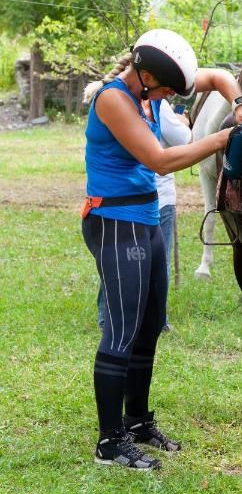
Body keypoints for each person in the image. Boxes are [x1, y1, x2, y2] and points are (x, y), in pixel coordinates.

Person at [82, 28, 242, 470]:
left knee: (151, 323)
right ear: (144, 75)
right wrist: (222, 138)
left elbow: (216, 77)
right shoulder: (113, 100)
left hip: (145, 219)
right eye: (164, 91)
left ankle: (136, 421)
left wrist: (240, 104)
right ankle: (109, 442)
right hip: (114, 222)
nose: (168, 98)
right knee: (121, 329)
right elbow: (158, 160)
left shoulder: (148, 90)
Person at [97, 99, 191, 331]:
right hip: (156, 196)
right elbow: (184, 139)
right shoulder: (158, 105)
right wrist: (183, 121)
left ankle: (106, 315)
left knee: (116, 258)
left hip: (120, 197)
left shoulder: (115, 102)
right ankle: (157, 320)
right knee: (158, 262)